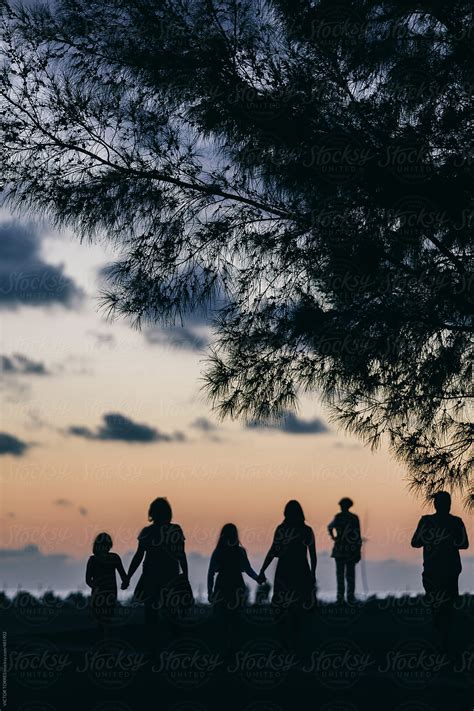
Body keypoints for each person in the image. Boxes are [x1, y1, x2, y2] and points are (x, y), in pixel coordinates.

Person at [126, 497, 188, 646]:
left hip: (152, 577)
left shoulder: (148, 532)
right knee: (171, 613)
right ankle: (177, 645)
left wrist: (128, 576)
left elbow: (139, 556)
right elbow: (181, 554)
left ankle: (154, 648)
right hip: (169, 576)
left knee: (152, 614)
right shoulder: (175, 530)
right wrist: (184, 575)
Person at [411, 491, 469, 648]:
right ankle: (444, 638)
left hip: (435, 569)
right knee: (445, 605)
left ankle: (442, 639)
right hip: (444, 569)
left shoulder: (427, 521)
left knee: (439, 605)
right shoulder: (455, 522)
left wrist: (435, 541)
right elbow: (464, 544)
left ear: (436, 505)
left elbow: (415, 542)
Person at [259, 500, 317, 652]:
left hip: (285, 572)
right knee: (297, 609)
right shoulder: (306, 530)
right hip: (299, 571)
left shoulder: (282, 529)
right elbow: (313, 556)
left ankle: (287, 642)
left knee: (283, 609)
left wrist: (263, 569)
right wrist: (313, 574)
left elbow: (273, 551)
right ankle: (293, 642)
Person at [208, 523, 264, 656]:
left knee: (223, 621)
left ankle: (224, 651)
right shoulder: (239, 551)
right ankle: (233, 651)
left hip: (222, 586)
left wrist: (210, 592)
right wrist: (257, 578)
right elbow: (248, 569)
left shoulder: (219, 552)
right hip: (236, 587)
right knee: (235, 621)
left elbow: (211, 573)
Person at [85, 532, 128, 636]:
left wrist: (125, 582)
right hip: (103, 591)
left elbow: (123, 575)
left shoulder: (111, 558)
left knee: (105, 617)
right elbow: (88, 579)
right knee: (103, 617)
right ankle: (104, 641)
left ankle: (105, 641)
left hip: (107, 592)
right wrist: (125, 582)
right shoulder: (95, 560)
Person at [327, 497, 362, 604]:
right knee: (349, 575)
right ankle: (349, 598)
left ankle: (341, 598)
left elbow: (329, 527)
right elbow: (357, 536)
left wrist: (334, 537)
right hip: (350, 550)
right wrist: (358, 550)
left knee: (341, 575)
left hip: (340, 549)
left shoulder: (338, 517)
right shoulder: (354, 518)